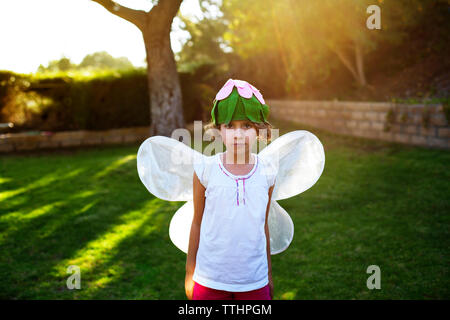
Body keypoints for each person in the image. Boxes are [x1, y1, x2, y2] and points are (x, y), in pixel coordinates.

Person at [185, 79, 276, 300]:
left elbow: (262, 224)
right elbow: (197, 221)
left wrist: (269, 274)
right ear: (218, 130)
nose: (238, 134)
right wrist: (190, 272)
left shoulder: (268, 172)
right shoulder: (205, 169)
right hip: (210, 278)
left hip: (254, 279)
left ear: (259, 130)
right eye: (230, 126)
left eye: (246, 126)